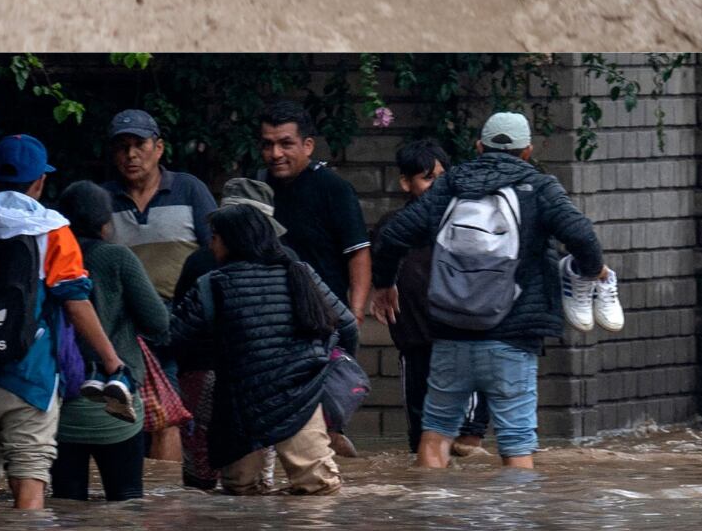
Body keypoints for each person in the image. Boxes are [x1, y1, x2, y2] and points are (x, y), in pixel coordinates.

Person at [371, 112, 613, 471]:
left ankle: (424, 517)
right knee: (515, 443)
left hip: (450, 335)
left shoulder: (449, 186)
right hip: (513, 337)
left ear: (479, 147)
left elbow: (393, 237)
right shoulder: (540, 188)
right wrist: (593, 272)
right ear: (527, 151)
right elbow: (582, 236)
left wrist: (385, 283)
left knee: (434, 434)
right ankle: (513, 524)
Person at [0, 135, 135, 509]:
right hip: (32, 376)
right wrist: (111, 362)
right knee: (30, 481)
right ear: (39, 182)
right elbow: (76, 303)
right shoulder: (54, 232)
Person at [167, 203, 356, 496]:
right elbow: (346, 324)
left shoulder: (211, 285)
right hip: (301, 398)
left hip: (241, 407)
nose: (210, 243)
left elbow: (175, 337)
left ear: (233, 240)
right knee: (319, 490)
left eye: (215, 236)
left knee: (242, 495)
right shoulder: (300, 273)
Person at [257, 98, 370, 458]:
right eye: (268, 143)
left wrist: (354, 312)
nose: (275, 153)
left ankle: (325, 492)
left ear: (307, 145)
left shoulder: (332, 189)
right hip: (269, 319)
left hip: (323, 320)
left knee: (321, 415)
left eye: (285, 143)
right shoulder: (258, 189)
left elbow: (358, 252)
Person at [371, 137, 492, 456]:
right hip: (415, 346)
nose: (437, 186)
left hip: (462, 346)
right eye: (427, 178)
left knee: (466, 441)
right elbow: (382, 277)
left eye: (441, 177)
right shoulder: (391, 229)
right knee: (422, 444)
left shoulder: (468, 221)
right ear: (405, 183)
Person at [52, 183, 170, 503]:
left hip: (59, 405)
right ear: (107, 224)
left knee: (65, 508)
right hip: (116, 403)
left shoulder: (48, 257)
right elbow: (158, 323)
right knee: (127, 504)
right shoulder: (117, 257)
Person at [100, 108, 216, 302]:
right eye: (123, 147)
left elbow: (216, 248)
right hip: (126, 318)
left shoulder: (188, 189)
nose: (131, 154)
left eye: (140, 145)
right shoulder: (102, 199)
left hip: (185, 312)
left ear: (159, 148)